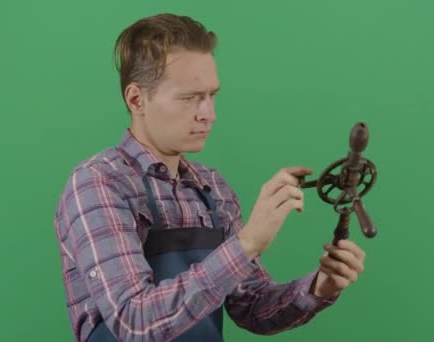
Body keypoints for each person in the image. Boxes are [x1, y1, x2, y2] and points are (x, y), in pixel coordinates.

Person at [53, 13, 367, 342]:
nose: (209, 114)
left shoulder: (212, 188)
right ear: (136, 99)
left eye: (211, 95)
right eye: (190, 98)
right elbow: (135, 322)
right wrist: (246, 244)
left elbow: (252, 306)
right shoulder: (96, 184)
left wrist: (320, 286)